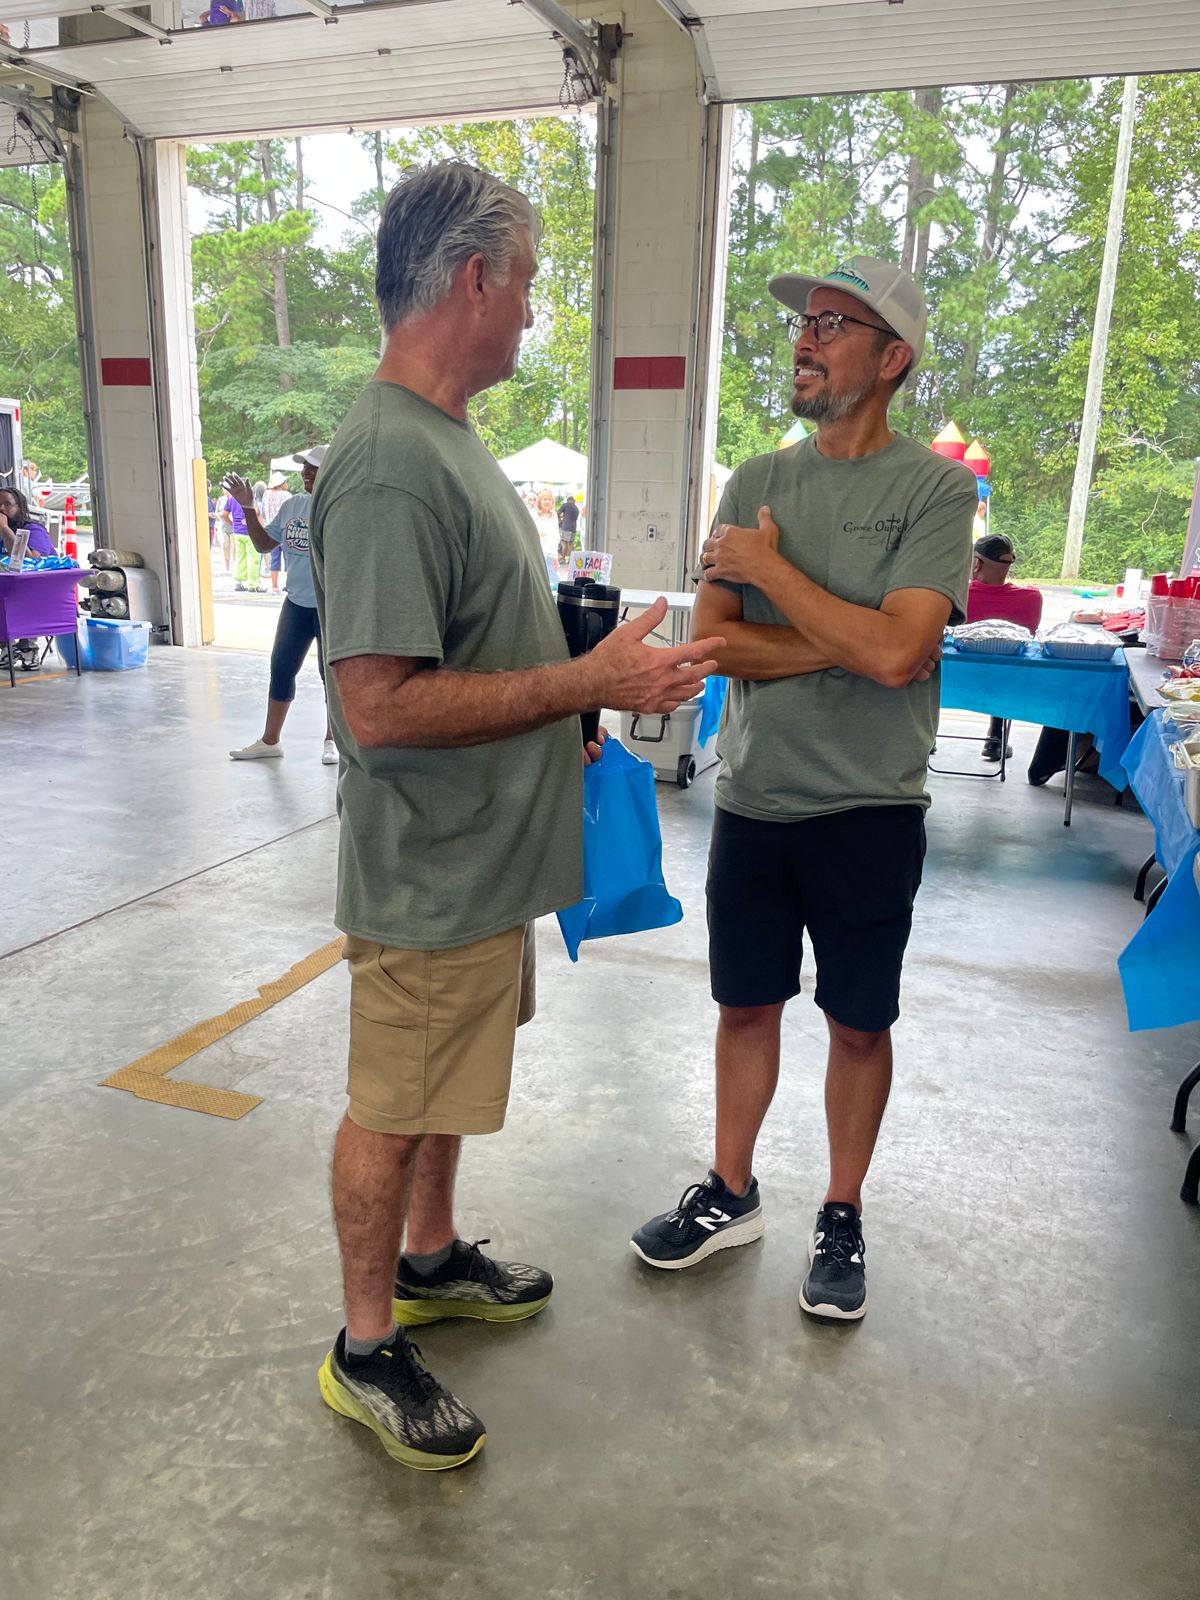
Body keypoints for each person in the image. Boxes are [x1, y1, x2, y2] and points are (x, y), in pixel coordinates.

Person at [308, 160, 723, 1470]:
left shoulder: (448, 441)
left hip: (484, 861)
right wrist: (582, 682)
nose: (535, 308)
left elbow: (470, 645)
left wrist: (567, 700)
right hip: (430, 875)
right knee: (393, 1102)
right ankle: (365, 1344)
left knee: (442, 1085)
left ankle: (430, 1259)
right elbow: (378, 705)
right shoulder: (389, 464)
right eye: (530, 281)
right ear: (475, 278)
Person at [631, 256, 977, 1322]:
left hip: (871, 805)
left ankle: (841, 1209)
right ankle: (730, 1191)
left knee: (859, 1024)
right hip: (756, 797)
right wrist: (863, 639)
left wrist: (776, 577)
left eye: (833, 325)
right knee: (745, 1005)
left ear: (893, 357)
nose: (806, 340)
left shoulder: (936, 489)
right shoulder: (753, 482)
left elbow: (896, 655)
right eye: (805, 323)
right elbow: (717, 647)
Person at [225, 448, 337, 766]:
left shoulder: (340, 507)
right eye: (304, 468)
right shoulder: (292, 505)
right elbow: (263, 544)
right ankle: (270, 741)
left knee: (331, 675)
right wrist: (248, 507)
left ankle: (333, 740)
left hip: (329, 606)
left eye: (313, 468)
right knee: (281, 668)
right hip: (296, 603)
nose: (305, 472)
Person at [967, 532, 1044, 761]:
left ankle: (929, 738)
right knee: (1001, 662)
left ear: (976, 563)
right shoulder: (1032, 597)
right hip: (1010, 681)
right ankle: (996, 737)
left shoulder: (959, 595)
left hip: (956, 679)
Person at [223, 484, 261, 592]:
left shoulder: (231, 499)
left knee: (240, 557)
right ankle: (253, 585)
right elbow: (256, 511)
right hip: (250, 532)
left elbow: (224, 515)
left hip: (237, 532)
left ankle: (238, 582)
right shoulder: (248, 498)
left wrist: (233, 524)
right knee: (253, 558)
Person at [0, 486, 55, 559]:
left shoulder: (34, 530)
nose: (1, 508)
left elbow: (33, 560)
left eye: (7, 504)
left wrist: (5, 528)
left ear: (19, 507)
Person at [261, 470, 290, 595]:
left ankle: (274, 586)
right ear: (282, 483)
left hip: (271, 531)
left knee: (275, 559)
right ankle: (289, 585)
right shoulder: (287, 495)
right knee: (288, 559)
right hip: (285, 530)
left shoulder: (266, 495)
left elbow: (264, 513)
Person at [557, 494, 579, 565]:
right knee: (571, 543)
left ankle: (563, 559)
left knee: (564, 543)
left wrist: (559, 519)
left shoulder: (565, 505)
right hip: (573, 528)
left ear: (568, 500)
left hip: (565, 527)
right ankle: (571, 560)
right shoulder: (576, 508)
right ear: (573, 501)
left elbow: (558, 513)